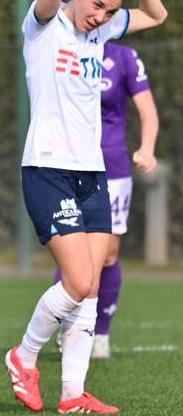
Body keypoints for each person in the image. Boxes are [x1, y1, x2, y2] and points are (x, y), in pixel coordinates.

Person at [5, 0, 167, 415]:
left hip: (92, 172)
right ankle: (24, 356)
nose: (101, 17)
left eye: (110, 11)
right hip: (48, 168)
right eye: (96, 5)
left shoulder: (107, 30)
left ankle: (72, 393)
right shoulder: (43, 26)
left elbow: (157, 15)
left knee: (91, 284)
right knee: (76, 279)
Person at [54, 42, 159, 359]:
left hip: (112, 167)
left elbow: (148, 110)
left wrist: (147, 148)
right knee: (73, 250)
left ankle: (100, 333)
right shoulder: (61, 47)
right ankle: (69, 328)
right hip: (68, 163)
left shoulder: (123, 57)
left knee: (108, 254)